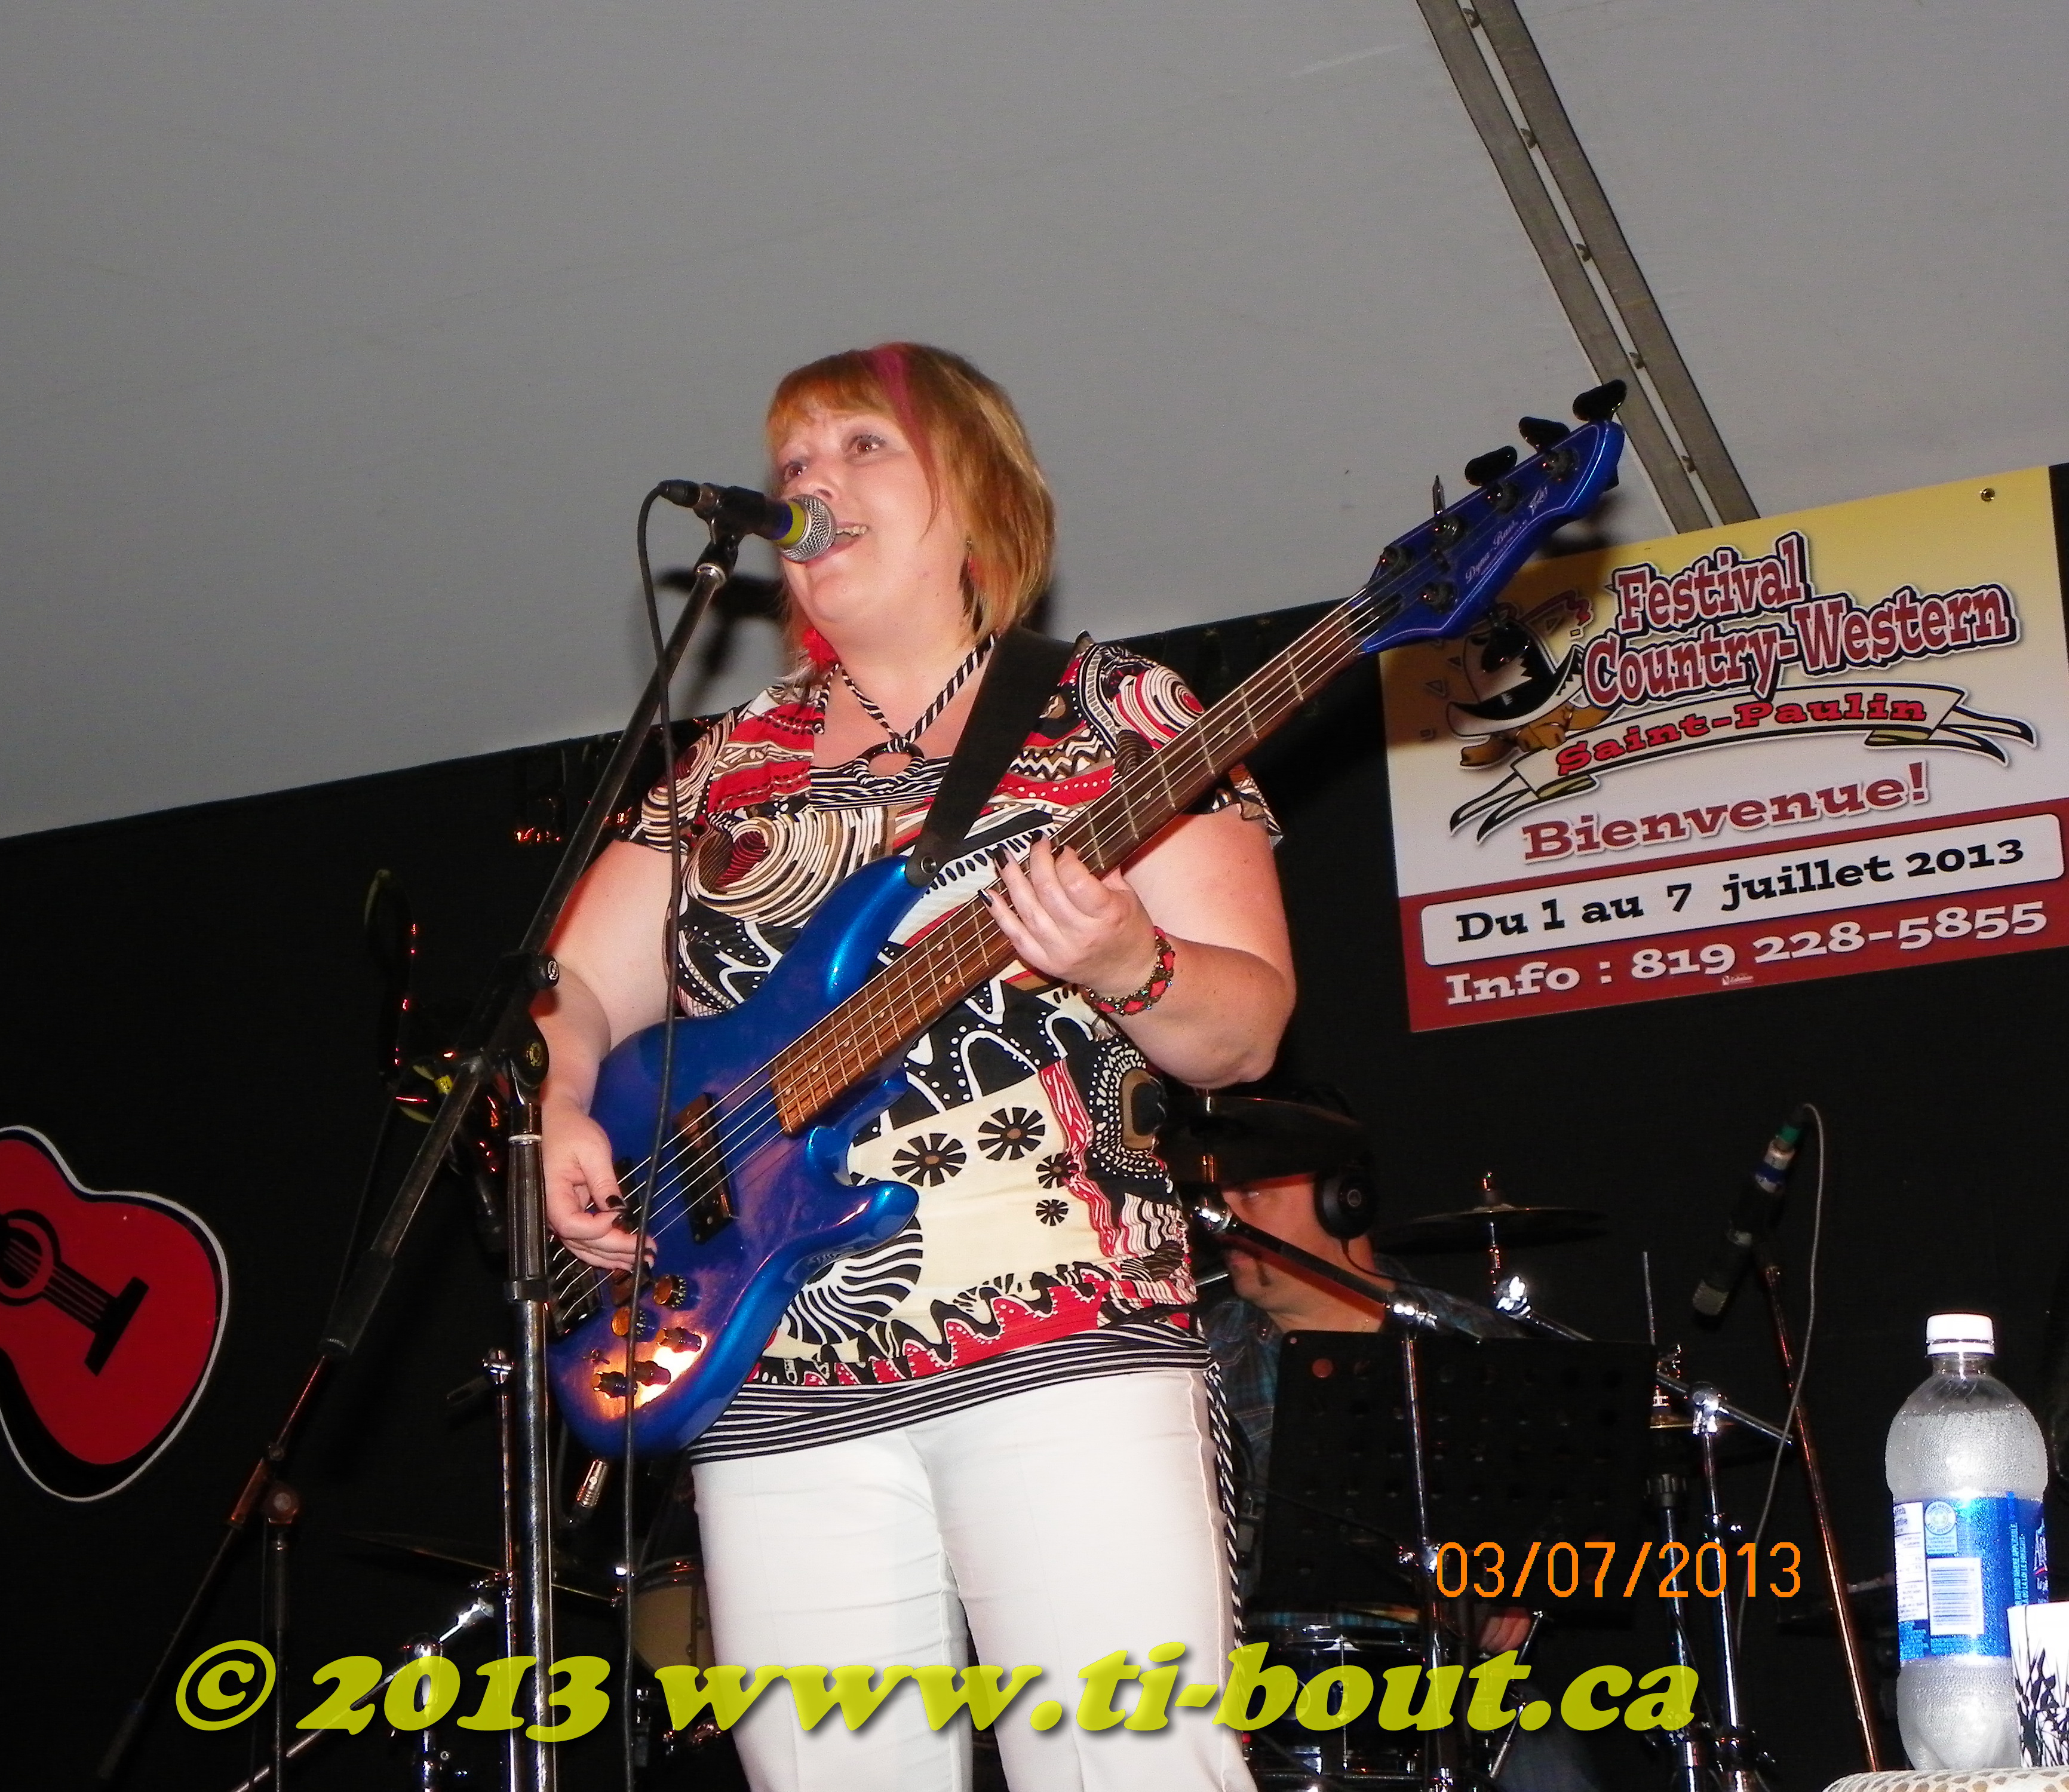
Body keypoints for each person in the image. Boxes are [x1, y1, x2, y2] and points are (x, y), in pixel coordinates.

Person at [537, 342, 1293, 1791]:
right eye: (792, 463)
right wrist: (564, 1099)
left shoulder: (1113, 712)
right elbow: (565, 984)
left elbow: (1244, 1027)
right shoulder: (722, 768)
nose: (813, 483)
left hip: (1059, 1344)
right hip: (767, 1370)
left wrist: (1128, 958)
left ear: (978, 490)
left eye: (861, 446)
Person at [1195, 1119, 1602, 1792]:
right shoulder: (1193, 1357)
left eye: (1252, 1194)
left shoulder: (1468, 1341)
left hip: (1451, 1684)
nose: (1223, 1221)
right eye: (1219, 1198)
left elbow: (1555, 1528)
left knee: (1551, 1774)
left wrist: (1516, 1590)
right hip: (1258, 1688)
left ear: (1343, 1202)